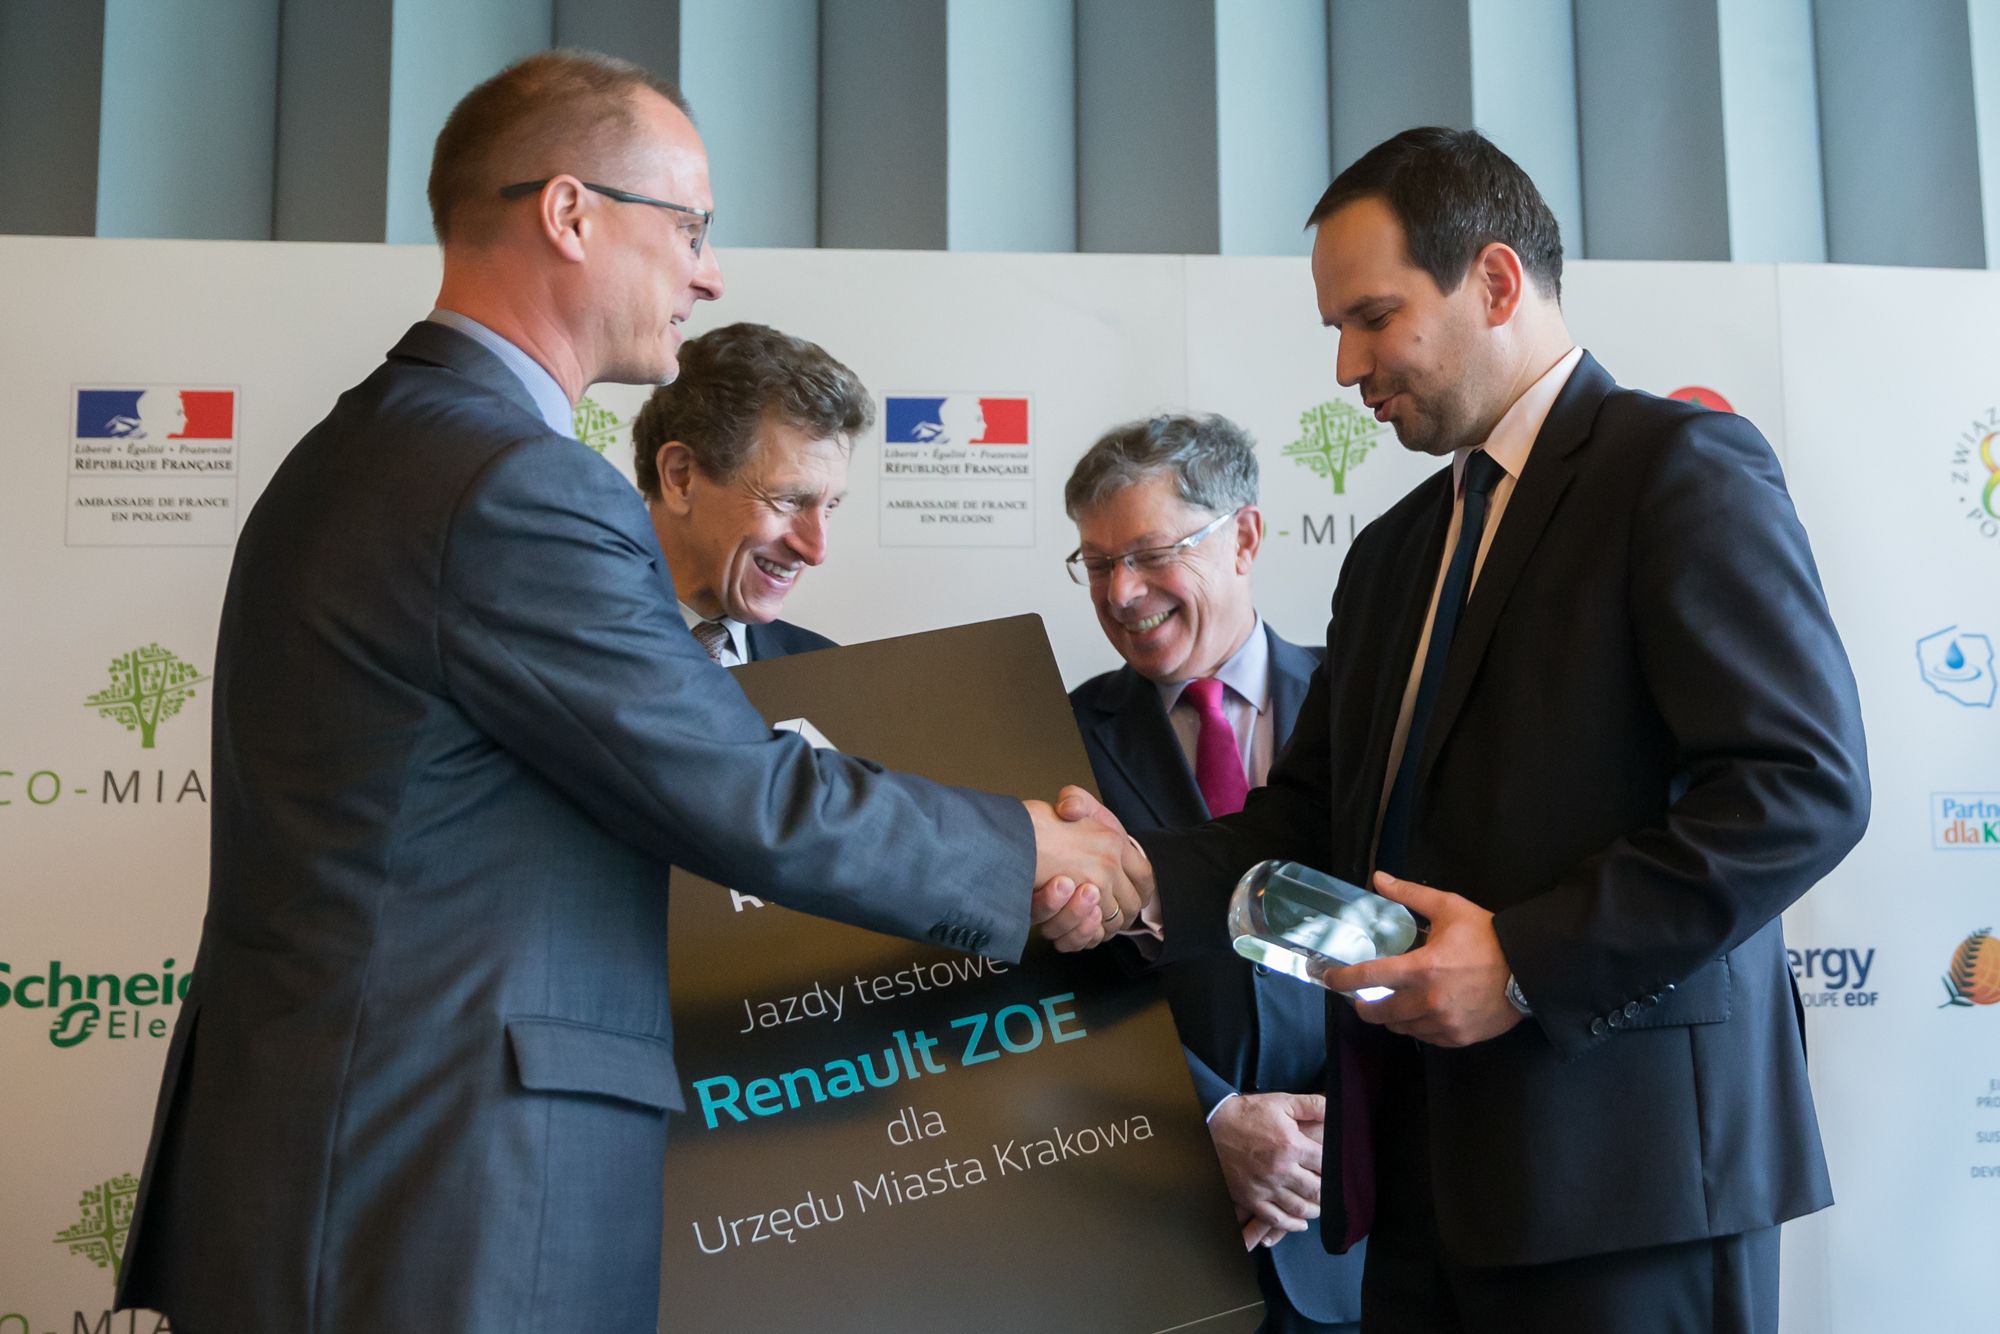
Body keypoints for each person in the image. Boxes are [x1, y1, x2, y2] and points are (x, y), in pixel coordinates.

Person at [113, 50, 1145, 1333]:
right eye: (691, 228)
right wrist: (1028, 848)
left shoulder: (360, 449)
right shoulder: (511, 481)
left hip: (353, 1167)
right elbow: (736, 787)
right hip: (437, 1188)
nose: (708, 273)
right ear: (569, 212)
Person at [1063, 127, 1869, 1333]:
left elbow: (1798, 787)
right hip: (1415, 1191)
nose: (1345, 364)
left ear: (1493, 281)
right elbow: (1307, 823)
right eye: (1335, 326)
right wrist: (1127, 876)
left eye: (1372, 317)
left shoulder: (1675, 470)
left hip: (1630, 1183)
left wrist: (1523, 961)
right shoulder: (1392, 553)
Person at [1064, 414, 1363, 1334]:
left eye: (1151, 554)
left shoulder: (1369, 710)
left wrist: (1337, 1129)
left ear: (1244, 537)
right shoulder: (1054, 737)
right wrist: (1212, 1117)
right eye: (1097, 563)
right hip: (1152, 1229)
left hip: (1358, 1225)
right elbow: (1051, 984)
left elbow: (1427, 921)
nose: (1122, 592)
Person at [632, 321, 859, 663]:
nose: (815, 551)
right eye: (789, 500)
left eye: (830, 507)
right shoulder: (558, 650)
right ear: (681, 477)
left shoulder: (828, 670)